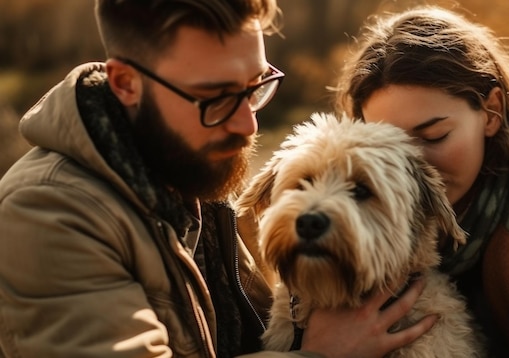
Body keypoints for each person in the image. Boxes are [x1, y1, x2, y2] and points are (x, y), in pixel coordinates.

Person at [0, 1, 436, 357]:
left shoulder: (194, 169)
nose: (248, 124)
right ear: (126, 83)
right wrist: (318, 355)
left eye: (254, 86)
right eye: (215, 96)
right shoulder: (46, 214)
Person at [333, 5, 509, 357]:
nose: (410, 167)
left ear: (491, 112)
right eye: (386, 145)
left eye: (434, 136)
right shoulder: (343, 227)